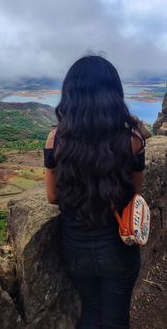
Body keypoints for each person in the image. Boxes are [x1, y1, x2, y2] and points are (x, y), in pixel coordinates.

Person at [43, 55, 148, 329]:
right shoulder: (133, 141)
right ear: (113, 94)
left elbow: (53, 197)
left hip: (74, 246)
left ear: (71, 94)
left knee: (90, 312)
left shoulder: (55, 140)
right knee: (116, 319)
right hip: (118, 246)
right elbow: (136, 193)